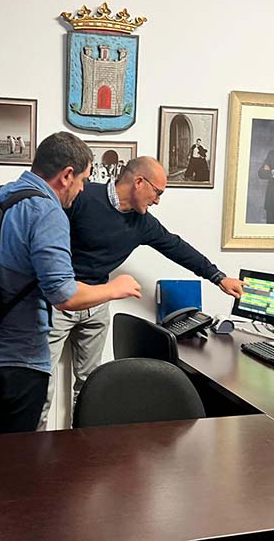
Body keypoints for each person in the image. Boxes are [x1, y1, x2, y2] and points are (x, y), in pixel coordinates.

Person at [39, 156, 244, 428]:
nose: (157, 201)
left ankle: (84, 449)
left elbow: (176, 247)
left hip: (97, 304)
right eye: (157, 192)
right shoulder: (84, 197)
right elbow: (45, 236)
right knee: (40, 385)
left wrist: (218, 277)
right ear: (138, 182)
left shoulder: (143, 223)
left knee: (91, 387)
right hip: (59, 302)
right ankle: (33, 449)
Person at [0, 131, 142, 435]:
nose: (83, 189)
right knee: (19, 452)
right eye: (83, 180)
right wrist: (115, 289)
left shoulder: (2, 194)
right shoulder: (46, 211)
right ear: (67, 175)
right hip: (17, 360)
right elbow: (64, 295)